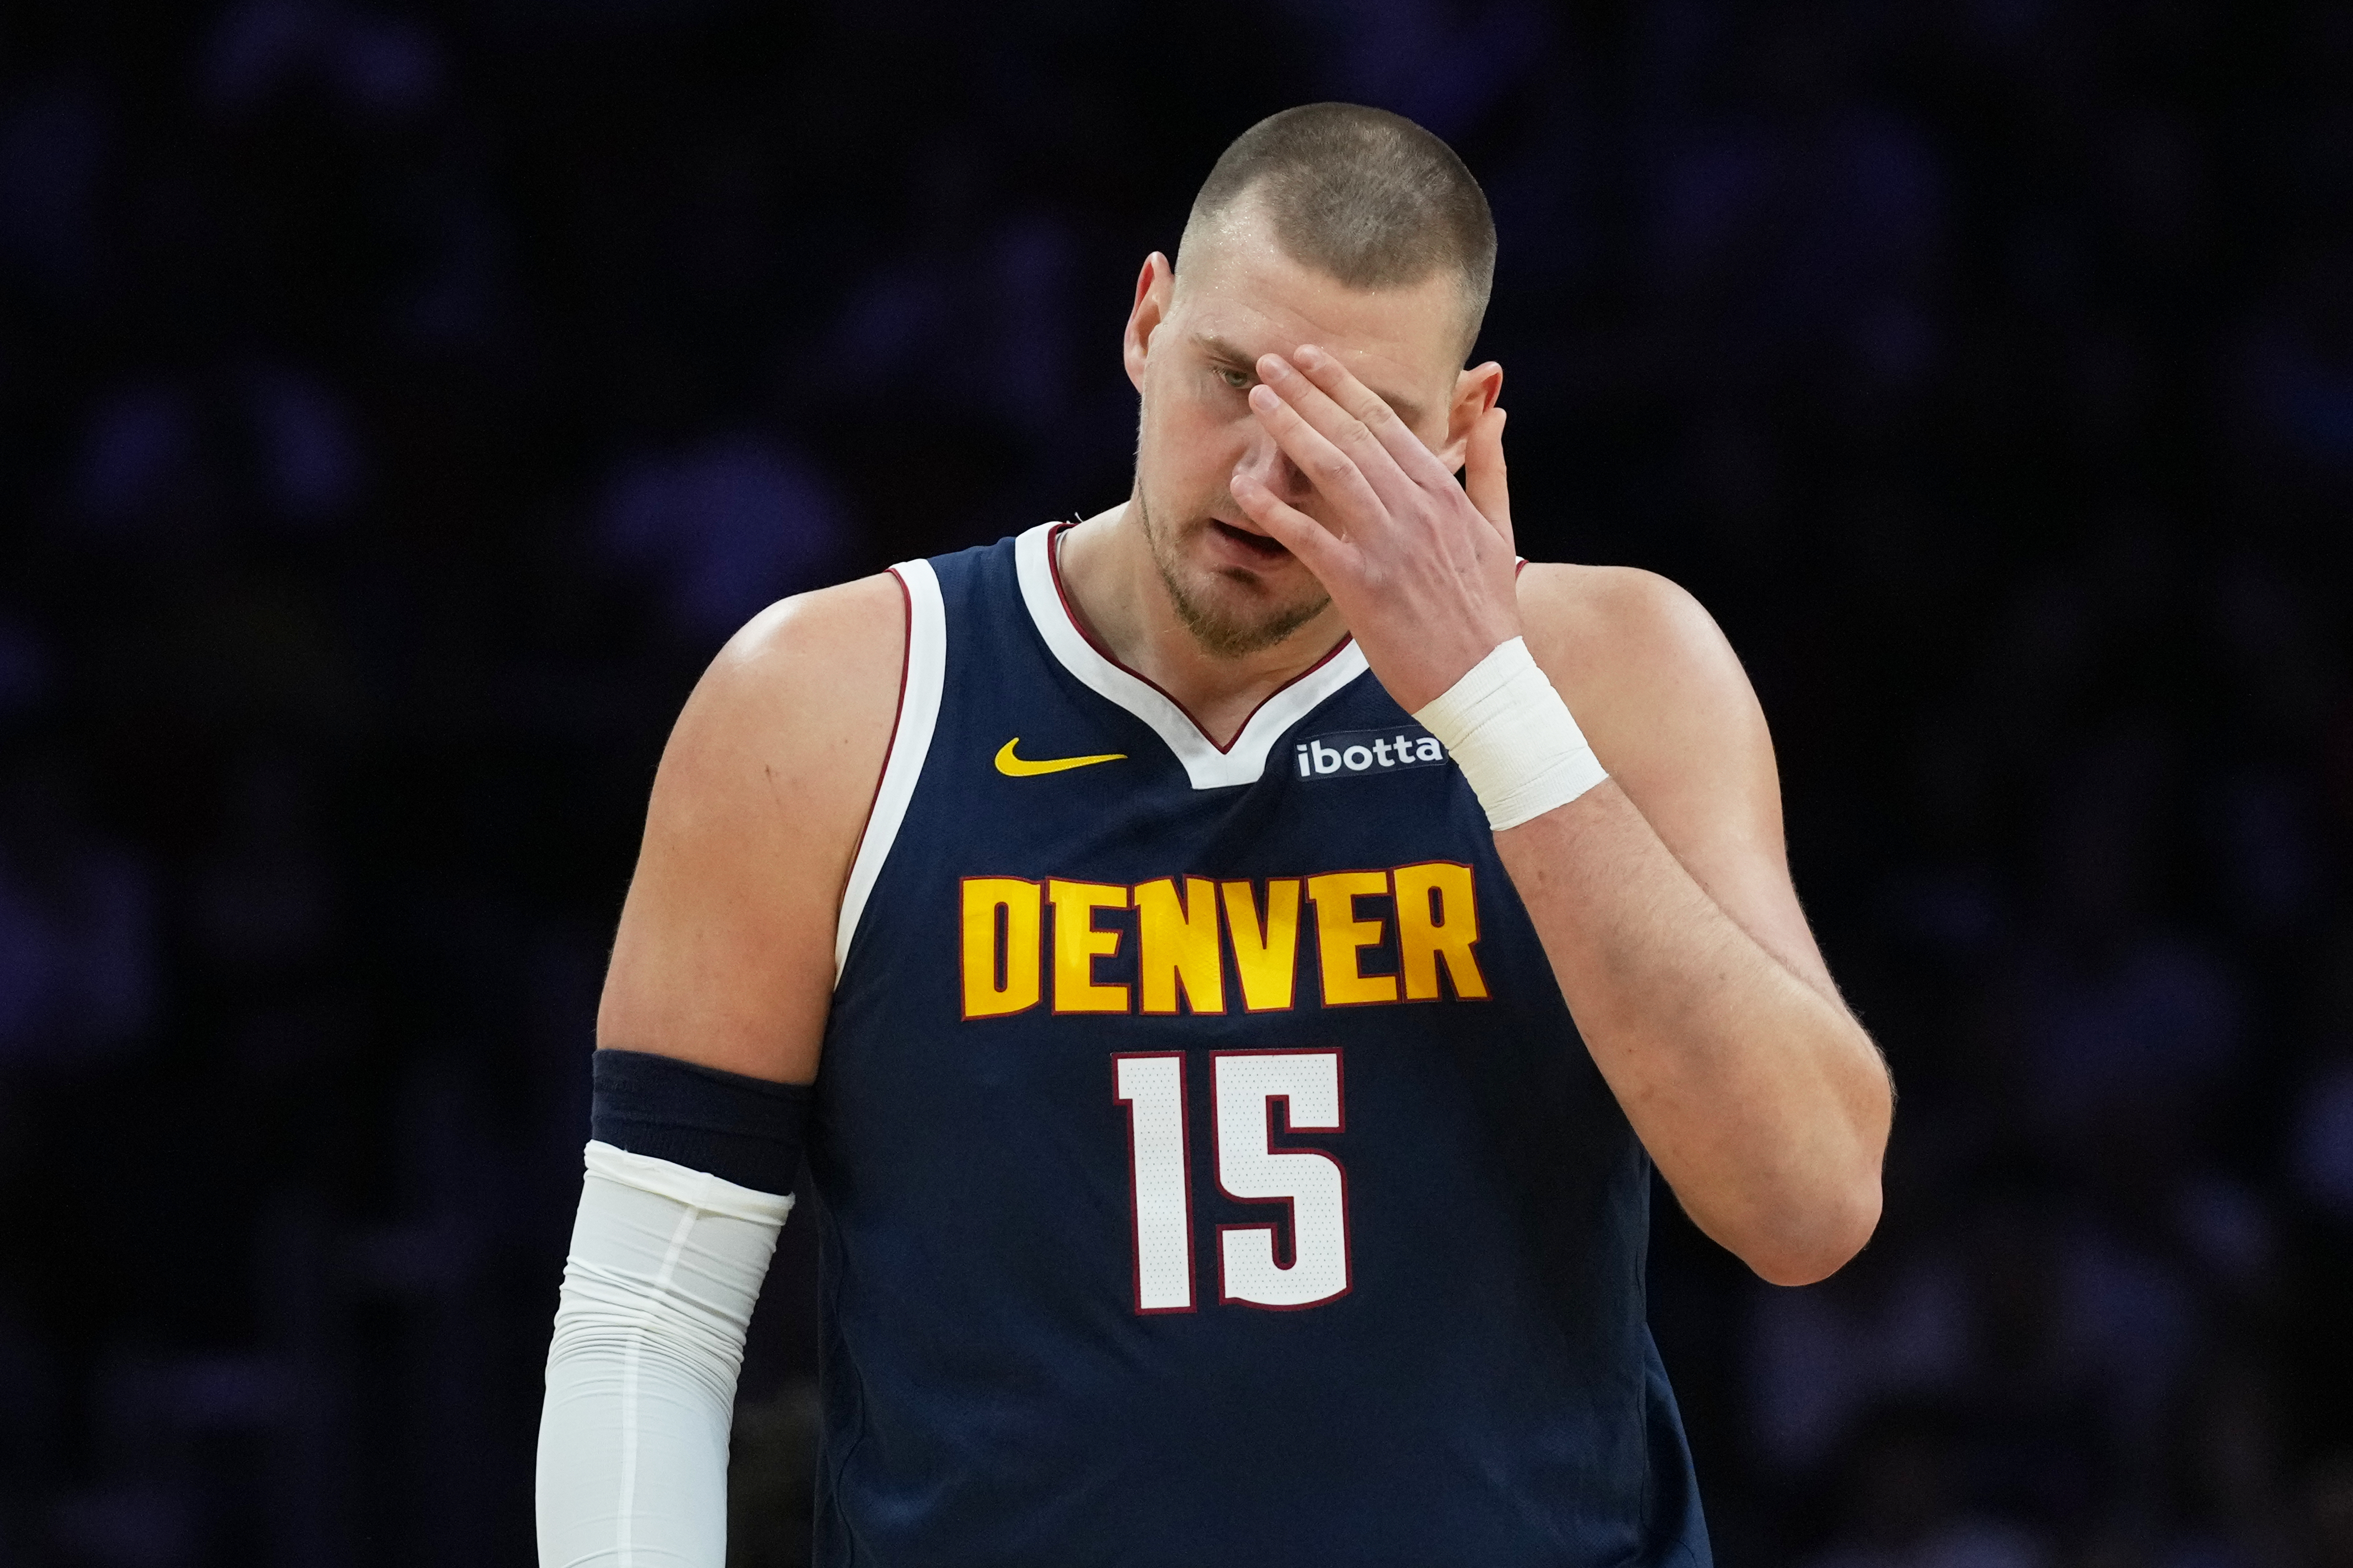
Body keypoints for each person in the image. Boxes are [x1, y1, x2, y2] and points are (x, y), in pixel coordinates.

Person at [535, 102, 1892, 1567]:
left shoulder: (1615, 667)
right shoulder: (826, 703)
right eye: (1233, 379)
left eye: (1349, 428)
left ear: (1463, 425)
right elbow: (649, 1317)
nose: (1265, 476)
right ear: (1145, 319)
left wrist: (1491, 702)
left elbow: (1807, 1204)